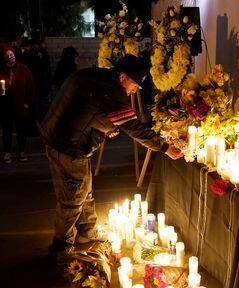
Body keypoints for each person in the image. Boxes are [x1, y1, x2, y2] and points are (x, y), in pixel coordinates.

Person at [40, 54, 182, 258]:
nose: (133, 91)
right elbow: (133, 127)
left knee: (83, 189)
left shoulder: (97, 77)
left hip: (60, 137)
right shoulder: (111, 90)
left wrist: (105, 127)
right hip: (68, 145)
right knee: (73, 195)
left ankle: (87, 231)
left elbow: (88, 110)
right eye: (134, 86)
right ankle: (61, 246)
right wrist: (165, 147)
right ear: (123, 77)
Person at [0, 44, 36, 163]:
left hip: (20, 106)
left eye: (12, 54)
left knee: (21, 130)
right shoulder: (2, 71)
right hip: (6, 107)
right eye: (8, 55)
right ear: (4, 58)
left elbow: (31, 87)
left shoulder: (23, 69)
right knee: (7, 130)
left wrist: (27, 103)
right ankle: (7, 153)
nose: (11, 57)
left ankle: (22, 151)